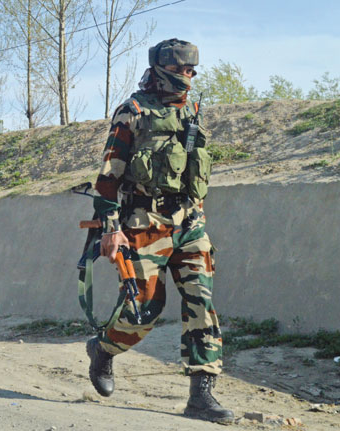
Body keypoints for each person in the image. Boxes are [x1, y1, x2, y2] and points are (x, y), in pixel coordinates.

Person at [85, 38, 233, 424]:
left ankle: (201, 394)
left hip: (188, 223)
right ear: (165, 70)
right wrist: (110, 229)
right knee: (144, 311)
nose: (191, 76)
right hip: (144, 224)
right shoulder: (132, 112)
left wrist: (195, 215)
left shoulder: (192, 112)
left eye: (192, 70)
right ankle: (103, 350)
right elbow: (108, 178)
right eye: (185, 69)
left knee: (201, 301)